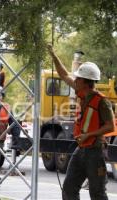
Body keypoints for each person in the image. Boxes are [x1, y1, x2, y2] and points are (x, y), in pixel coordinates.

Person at [48, 45, 115, 200]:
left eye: (78, 78)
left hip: (95, 152)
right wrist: (53, 55)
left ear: (86, 82)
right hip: (81, 150)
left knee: (97, 194)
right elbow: (64, 75)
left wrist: (89, 135)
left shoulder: (102, 102)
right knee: (69, 190)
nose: (75, 80)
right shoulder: (80, 92)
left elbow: (110, 126)